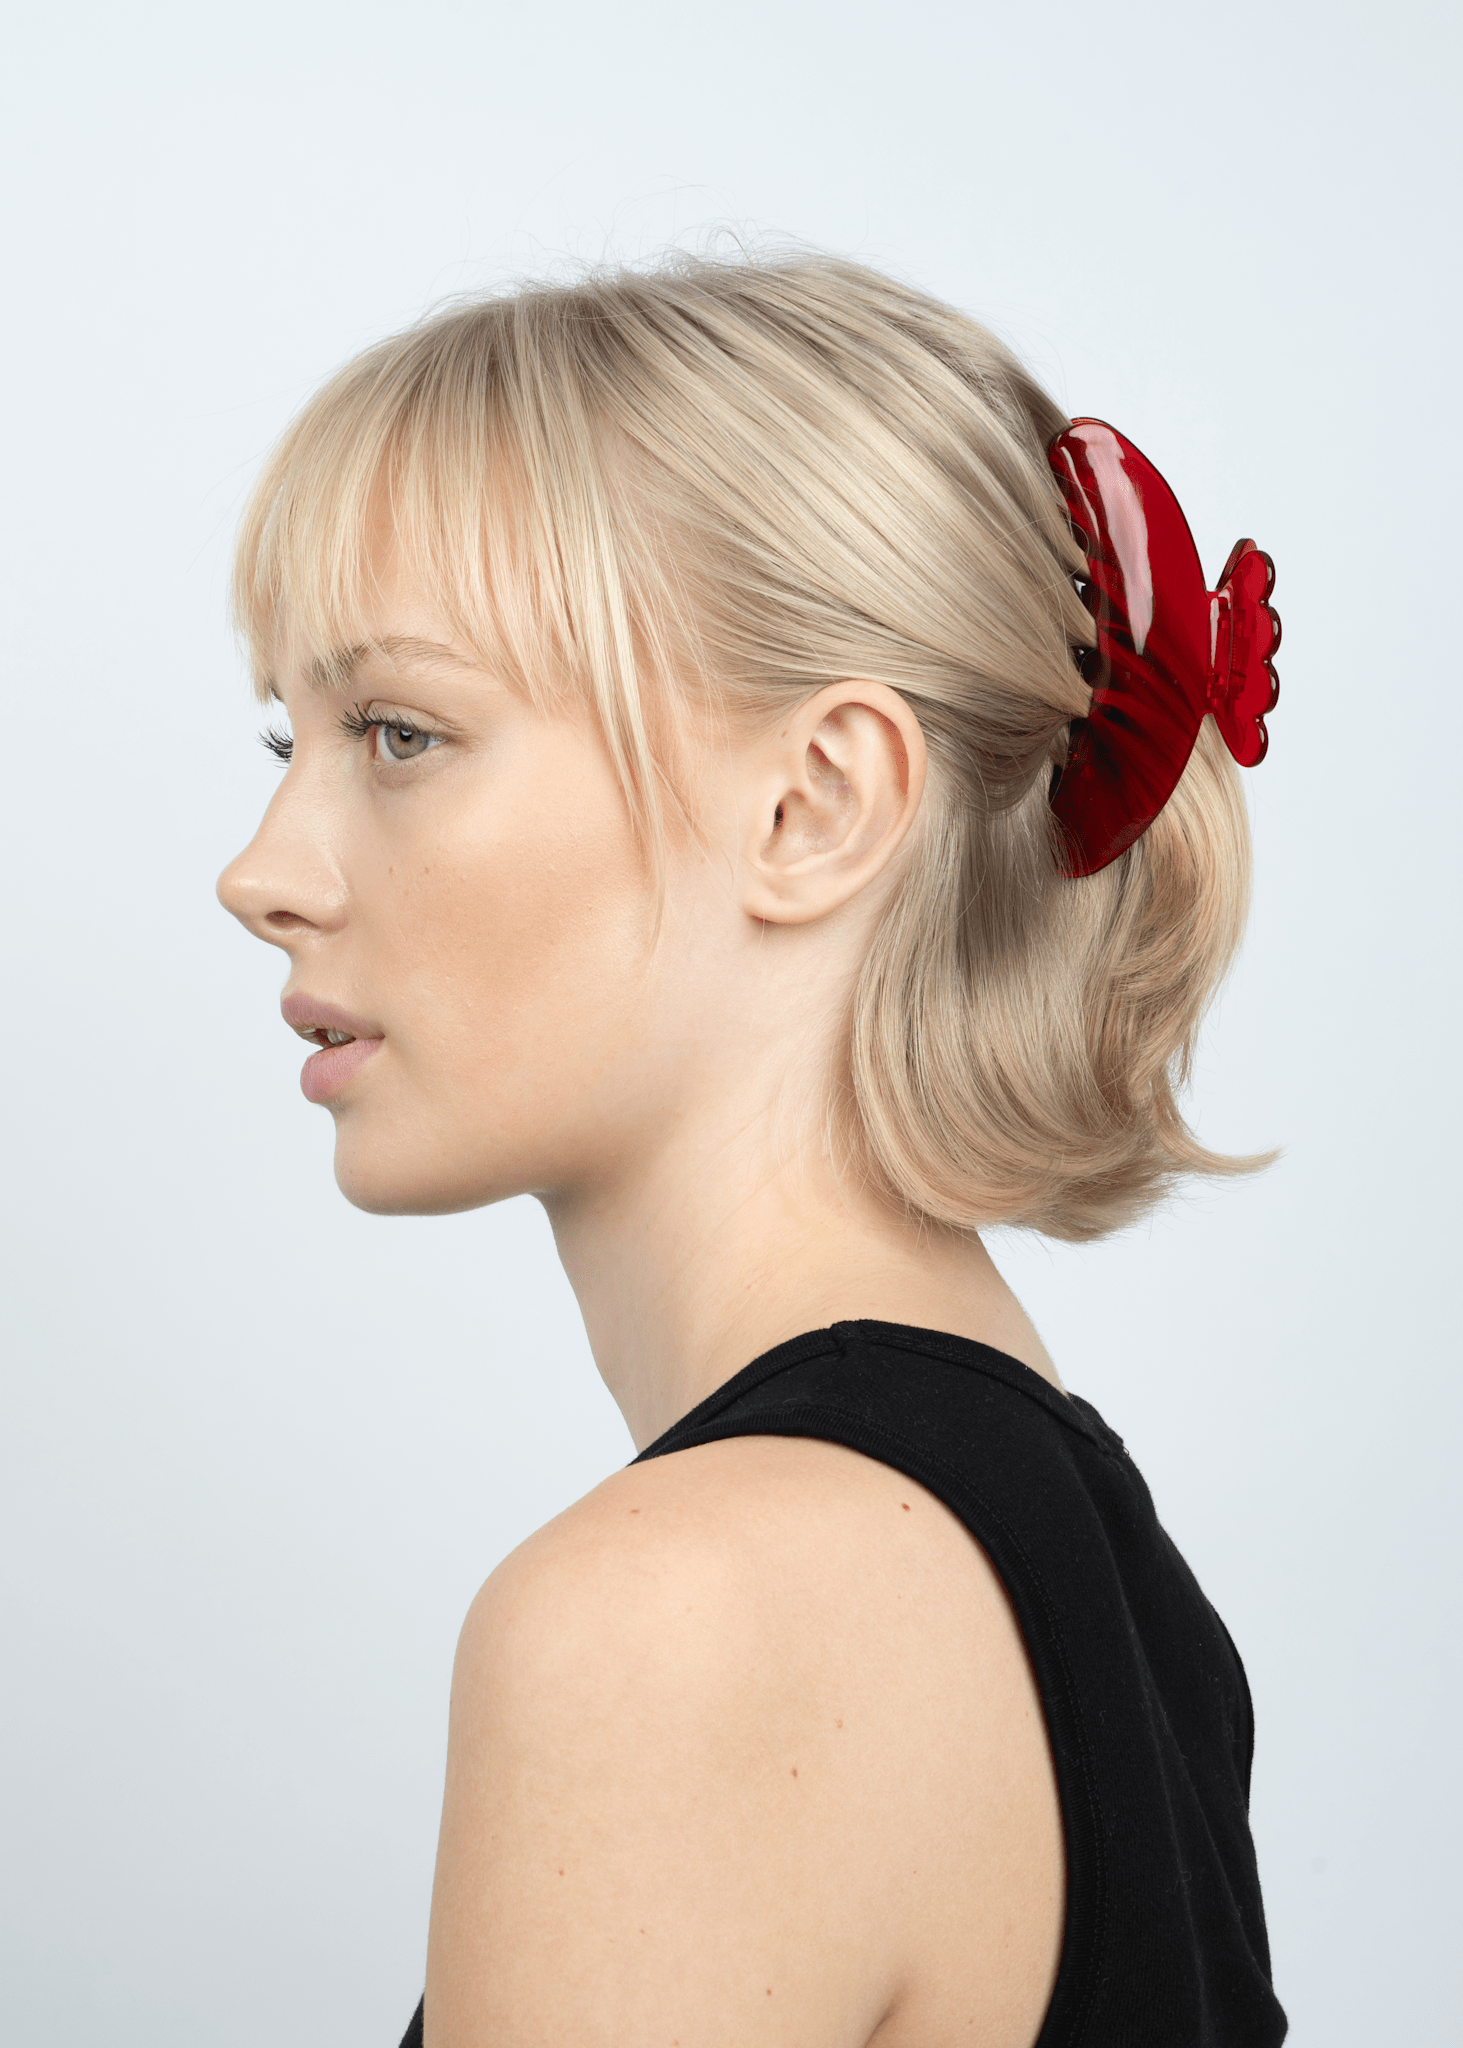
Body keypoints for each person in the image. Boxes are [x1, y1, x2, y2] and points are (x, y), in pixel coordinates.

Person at [218, 249, 1286, 2048]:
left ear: (812, 804)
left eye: (400, 734)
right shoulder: (1084, 1566)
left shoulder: (676, 1618)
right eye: (287, 736)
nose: (260, 873)